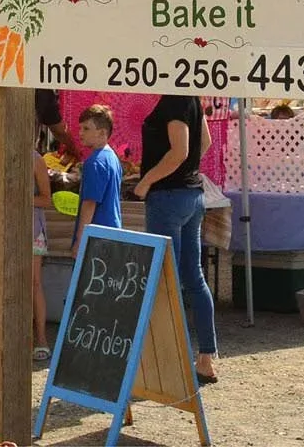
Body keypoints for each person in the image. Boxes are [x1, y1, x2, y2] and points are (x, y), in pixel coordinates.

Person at [135, 94, 220, 385]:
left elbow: (180, 151)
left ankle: (169, 361)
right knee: (192, 277)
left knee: (165, 280)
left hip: (168, 197)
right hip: (191, 195)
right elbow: (202, 143)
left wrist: (147, 180)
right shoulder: (192, 98)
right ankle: (205, 358)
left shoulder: (175, 98)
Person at [75, 104, 124, 239]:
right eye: (80, 128)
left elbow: (89, 203)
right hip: (112, 231)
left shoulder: (95, 162)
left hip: (97, 236)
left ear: (102, 132)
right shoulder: (112, 157)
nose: (80, 133)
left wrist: (80, 240)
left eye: (86, 128)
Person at [31, 134, 52, 364]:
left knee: (34, 282)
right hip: (8, 225)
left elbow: (47, 199)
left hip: (32, 227)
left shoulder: (36, 159)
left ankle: (41, 339)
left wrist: (18, 197)